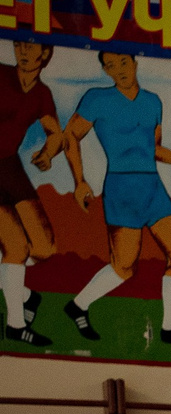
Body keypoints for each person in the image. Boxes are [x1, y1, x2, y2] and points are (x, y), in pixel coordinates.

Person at [53, 50, 171, 348]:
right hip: (121, 189)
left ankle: (170, 329)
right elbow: (70, 136)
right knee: (124, 267)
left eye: (123, 62)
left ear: (135, 63)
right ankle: (78, 305)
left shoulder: (153, 102)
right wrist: (80, 181)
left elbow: (153, 148)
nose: (119, 69)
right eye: (110, 66)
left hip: (152, 187)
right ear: (106, 71)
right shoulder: (97, 99)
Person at [2, 40, 83, 348]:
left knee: (45, 247)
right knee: (16, 247)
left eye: (30, 47)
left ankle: (21, 292)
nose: (23, 51)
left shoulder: (41, 94)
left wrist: (48, 155)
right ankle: (15, 324)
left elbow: (55, 134)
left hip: (9, 166)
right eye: (19, 45)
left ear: (45, 54)